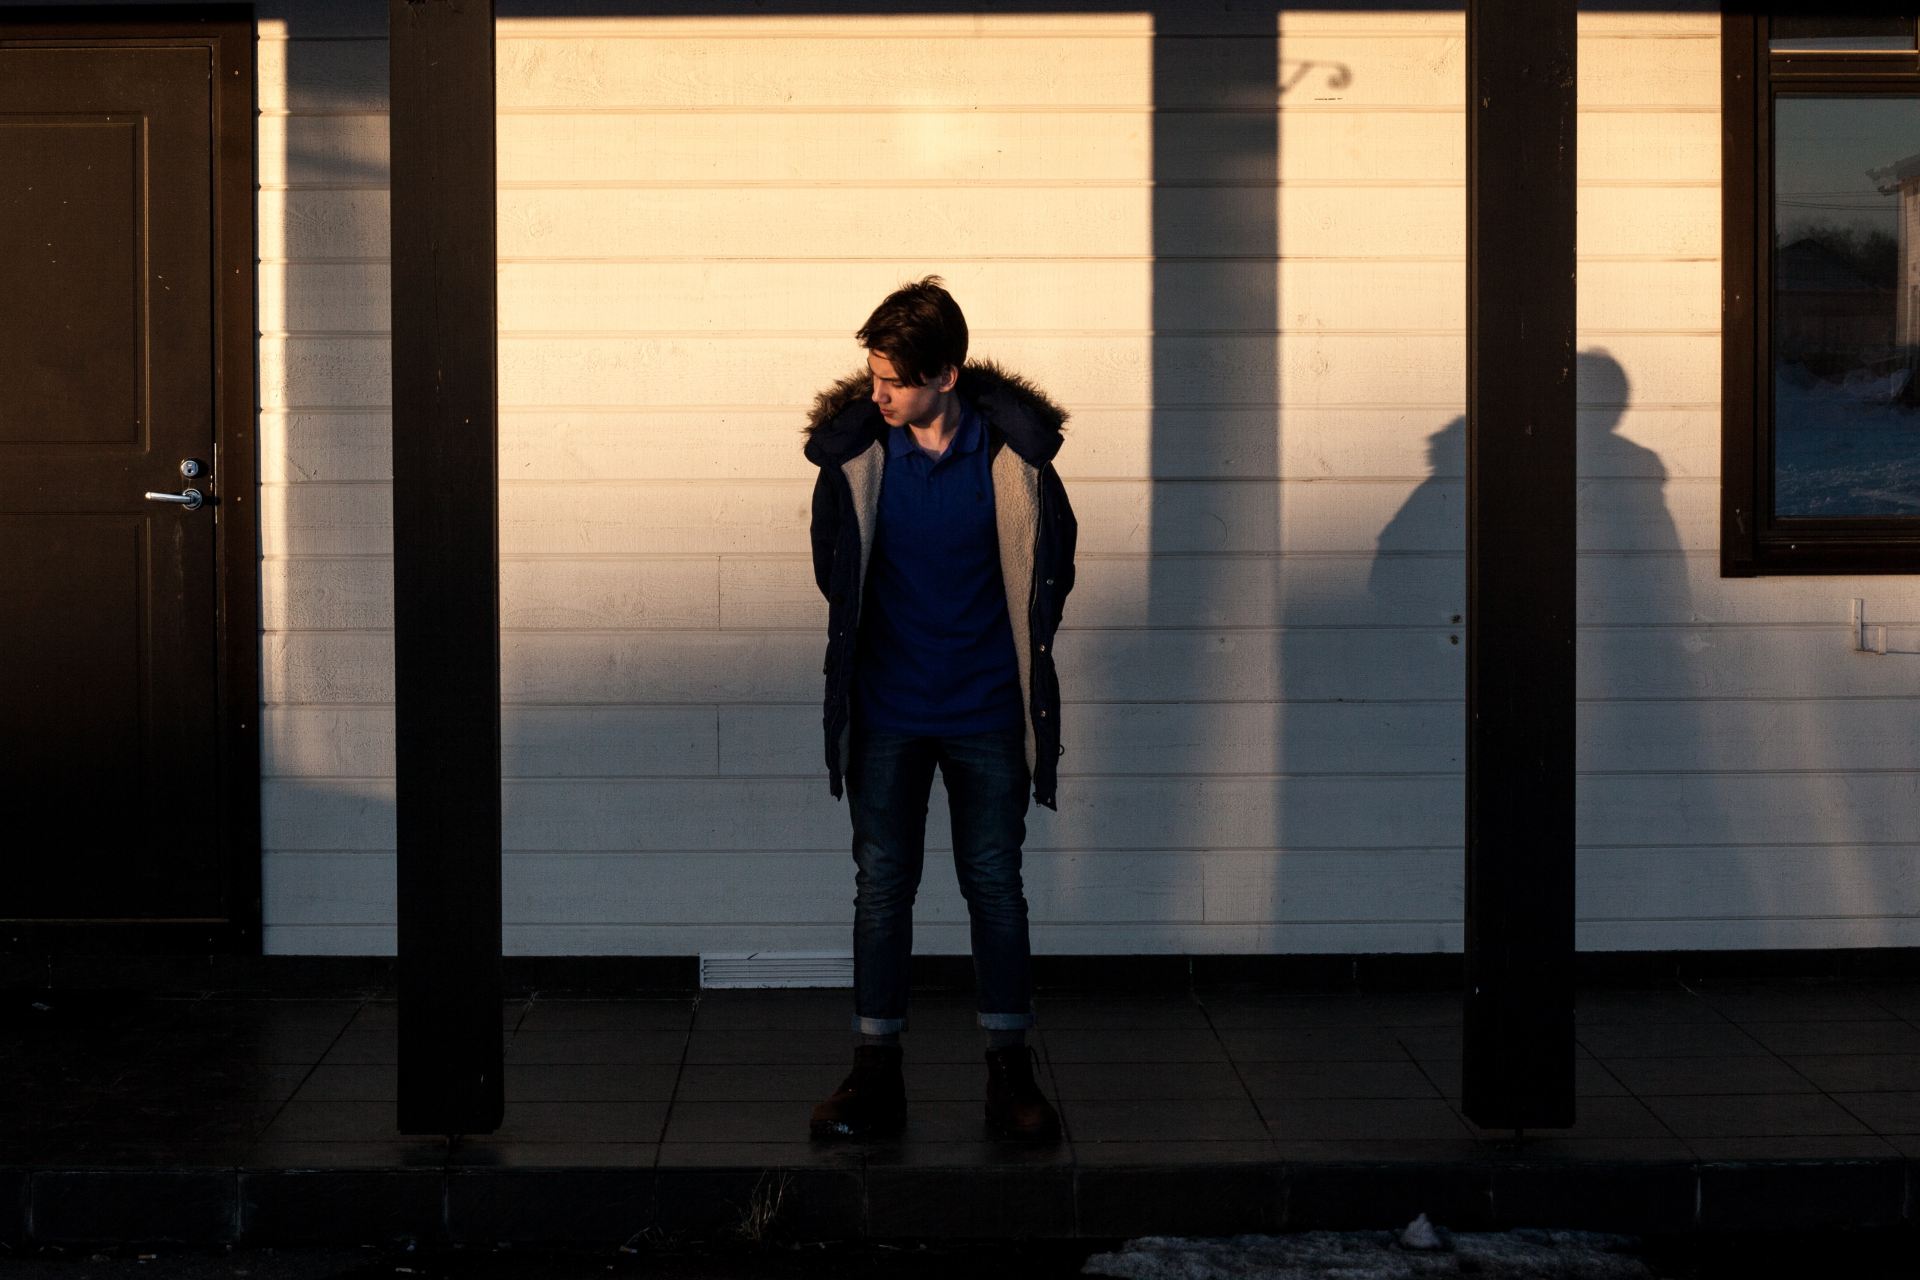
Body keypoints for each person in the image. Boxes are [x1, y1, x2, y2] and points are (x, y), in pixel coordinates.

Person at [801, 277, 1078, 1143]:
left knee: (995, 889)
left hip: (988, 713)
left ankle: (1010, 1080)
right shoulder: (858, 461)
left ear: (947, 376)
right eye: (872, 374)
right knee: (882, 890)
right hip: (886, 713)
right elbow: (833, 572)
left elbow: (1052, 570)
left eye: (896, 380)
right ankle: (874, 1075)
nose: (876, 394)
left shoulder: (1013, 464)